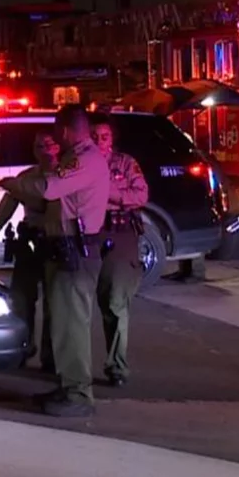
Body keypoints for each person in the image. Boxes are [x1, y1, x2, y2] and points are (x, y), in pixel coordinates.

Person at [0, 104, 110, 418]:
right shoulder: (77, 159)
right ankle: (67, 386)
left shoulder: (84, 161)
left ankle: (78, 394)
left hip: (75, 252)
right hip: (63, 250)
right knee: (62, 324)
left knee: (72, 325)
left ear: (65, 129)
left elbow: (49, 188)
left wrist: (14, 184)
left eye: (58, 130)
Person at [0, 131, 60, 372]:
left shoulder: (64, 176)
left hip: (56, 243)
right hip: (30, 242)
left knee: (55, 304)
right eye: (38, 145)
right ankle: (24, 349)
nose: (44, 149)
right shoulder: (27, 177)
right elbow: (6, 207)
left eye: (49, 143)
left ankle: (51, 356)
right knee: (22, 300)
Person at [90, 115, 148, 387]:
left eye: (105, 137)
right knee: (81, 301)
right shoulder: (80, 163)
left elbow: (140, 195)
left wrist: (109, 193)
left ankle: (117, 367)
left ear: (112, 140)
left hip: (120, 233)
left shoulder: (125, 163)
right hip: (90, 236)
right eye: (94, 136)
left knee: (115, 302)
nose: (99, 142)